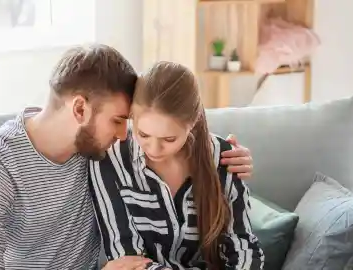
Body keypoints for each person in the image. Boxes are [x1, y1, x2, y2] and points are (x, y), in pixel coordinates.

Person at [0, 44, 254, 269]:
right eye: (118, 121)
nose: (126, 137)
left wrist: (222, 155)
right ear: (80, 109)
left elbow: (172, 123)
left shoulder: (99, 153)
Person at [89, 61, 264, 270]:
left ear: (192, 123)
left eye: (169, 139)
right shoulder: (111, 160)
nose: (153, 148)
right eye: (143, 134)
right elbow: (127, 260)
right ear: (131, 117)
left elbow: (243, 248)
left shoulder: (223, 157)